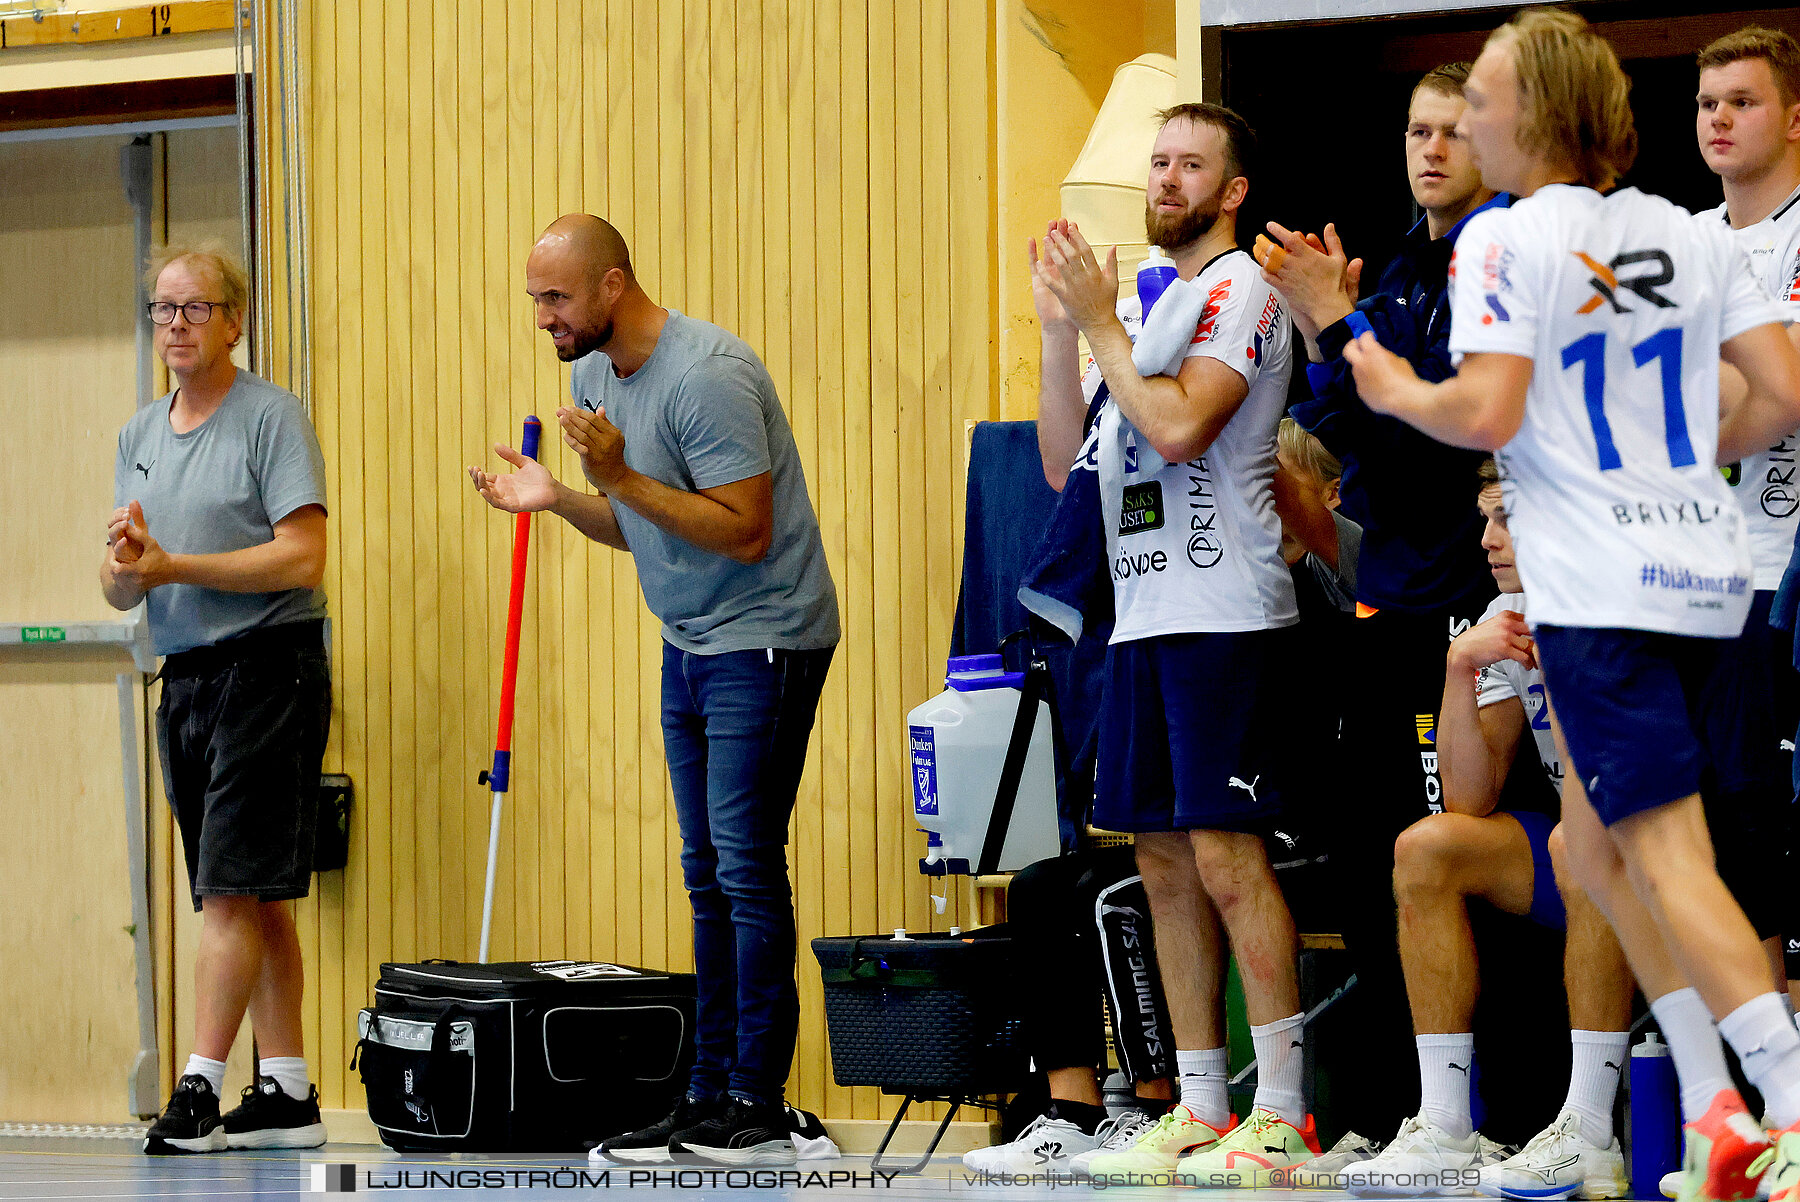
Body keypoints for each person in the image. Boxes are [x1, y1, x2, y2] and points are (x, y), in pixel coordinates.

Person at [1344, 10, 1800, 1200]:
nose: (1469, 121)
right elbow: (1777, 398)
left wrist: (1389, 378)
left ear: (1534, 117)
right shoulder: (1680, 231)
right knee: (1593, 844)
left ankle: (1786, 1098)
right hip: (1714, 572)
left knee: (1666, 856)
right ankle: (1712, 1108)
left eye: (1484, 100)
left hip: (1603, 583)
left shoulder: (1505, 244)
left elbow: (1486, 413)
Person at [469, 215, 839, 1167]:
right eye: (535, 301)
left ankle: (759, 1102)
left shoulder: (708, 374)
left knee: (747, 867)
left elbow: (746, 531)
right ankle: (706, 1095)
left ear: (611, 286)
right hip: (688, 641)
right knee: (706, 868)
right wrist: (560, 499)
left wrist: (621, 474)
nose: (543, 319)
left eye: (555, 298)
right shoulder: (591, 376)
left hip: (765, 636)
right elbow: (640, 527)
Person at [1029, 102, 1321, 1184]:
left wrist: (1104, 321)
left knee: (1227, 855)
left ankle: (1281, 1111)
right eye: (1158, 161)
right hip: (1143, 620)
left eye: (1190, 163)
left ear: (1232, 190)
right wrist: (1065, 330)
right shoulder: (1155, 308)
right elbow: (1074, 465)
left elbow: (1186, 424)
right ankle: (1198, 1103)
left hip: (1225, 615)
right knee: (1159, 858)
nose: (1165, 179)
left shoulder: (1239, 289)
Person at [1259, 62, 1508, 1141]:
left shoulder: (1498, 268)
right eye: (1417, 129)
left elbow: (1424, 443)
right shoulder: (1400, 266)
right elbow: (1345, 431)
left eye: (1454, 130)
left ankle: (1485, 1110)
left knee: (1448, 853)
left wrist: (1335, 326)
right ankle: (1389, 1108)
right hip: (1390, 607)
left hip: (1470, 602)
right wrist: (1331, 333)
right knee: (1371, 864)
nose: (1431, 148)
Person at [1349, 462, 1634, 1199]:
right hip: (1580, 845)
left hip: (1664, 851)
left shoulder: (1612, 603)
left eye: (1506, 519)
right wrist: (1455, 671)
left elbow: (1612, 781)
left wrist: (1567, 665)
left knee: (1584, 840)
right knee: (1427, 849)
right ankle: (1444, 1124)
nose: (1488, 541)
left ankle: (1589, 1131)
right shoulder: (1502, 617)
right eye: (1484, 519)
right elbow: (1469, 801)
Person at [105, 245, 332, 1156]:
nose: (176, 326)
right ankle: (286, 1091)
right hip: (187, 677)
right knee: (251, 894)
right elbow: (126, 587)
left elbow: (303, 556)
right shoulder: (137, 435)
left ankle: (199, 1086)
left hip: (267, 668)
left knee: (230, 892)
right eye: (162, 310)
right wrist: (130, 572)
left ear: (234, 321)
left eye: (195, 309)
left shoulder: (271, 419)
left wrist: (175, 566)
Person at [1693, 25, 1800, 1000]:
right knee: (1725, 826)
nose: (1719, 118)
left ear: (1796, 116)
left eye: (1743, 100)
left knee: (1776, 818)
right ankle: (1763, 1090)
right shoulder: (1682, 241)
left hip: (1787, 569)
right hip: (1697, 578)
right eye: (1707, 103)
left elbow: (1782, 394)